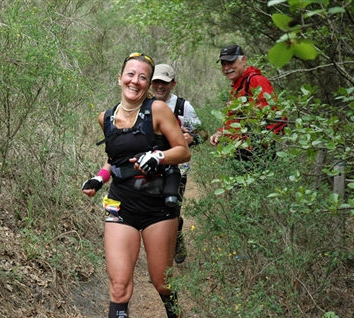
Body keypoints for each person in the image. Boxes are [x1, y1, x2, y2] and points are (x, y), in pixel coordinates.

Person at [82, 53, 191, 318]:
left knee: (162, 282)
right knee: (119, 287)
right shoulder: (105, 118)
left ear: (148, 84)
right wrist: (99, 177)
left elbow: (183, 151)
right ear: (120, 78)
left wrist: (158, 156)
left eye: (143, 77)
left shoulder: (157, 110)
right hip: (122, 206)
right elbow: (114, 159)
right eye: (131, 74)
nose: (136, 81)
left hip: (157, 207)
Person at [151, 64, 202, 264]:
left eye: (164, 82)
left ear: (173, 83)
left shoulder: (183, 107)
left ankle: (174, 240)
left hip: (178, 169)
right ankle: (161, 258)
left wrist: (192, 139)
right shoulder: (144, 104)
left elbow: (202, 133)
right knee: (156, 215)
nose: (159, 86)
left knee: (172, 211)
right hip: (151, 168)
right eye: (156, 82)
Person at [209, 44, 286, 163]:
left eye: (230, 62)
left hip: (257, 153)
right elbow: (233, 120)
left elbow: (277, 115)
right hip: (239, 151)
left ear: (243, 60)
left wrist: (263, 146)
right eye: (223, 64)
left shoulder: (257, 80)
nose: (226, 68)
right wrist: (220, 133)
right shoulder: (238, 85)